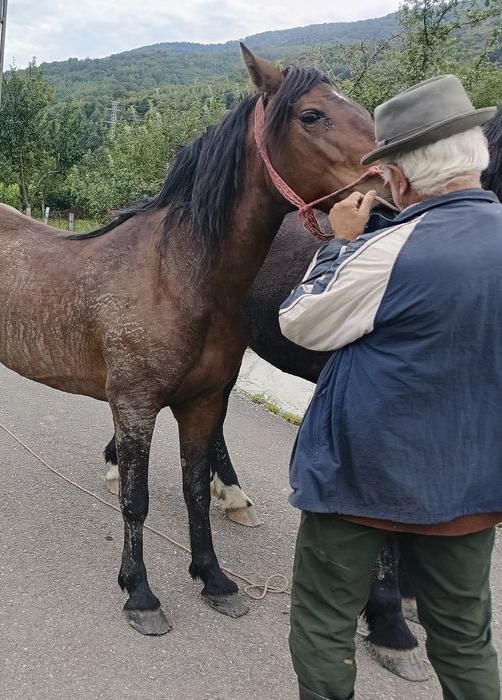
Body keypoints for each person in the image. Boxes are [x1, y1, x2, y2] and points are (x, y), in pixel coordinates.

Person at [278, 75, 502, 700]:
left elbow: (301, 323)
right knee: (463, 634)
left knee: (324, 621)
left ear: (398, 179)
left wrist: (338, 246)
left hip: (360, 476)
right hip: (471, 483)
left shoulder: (389, 250)